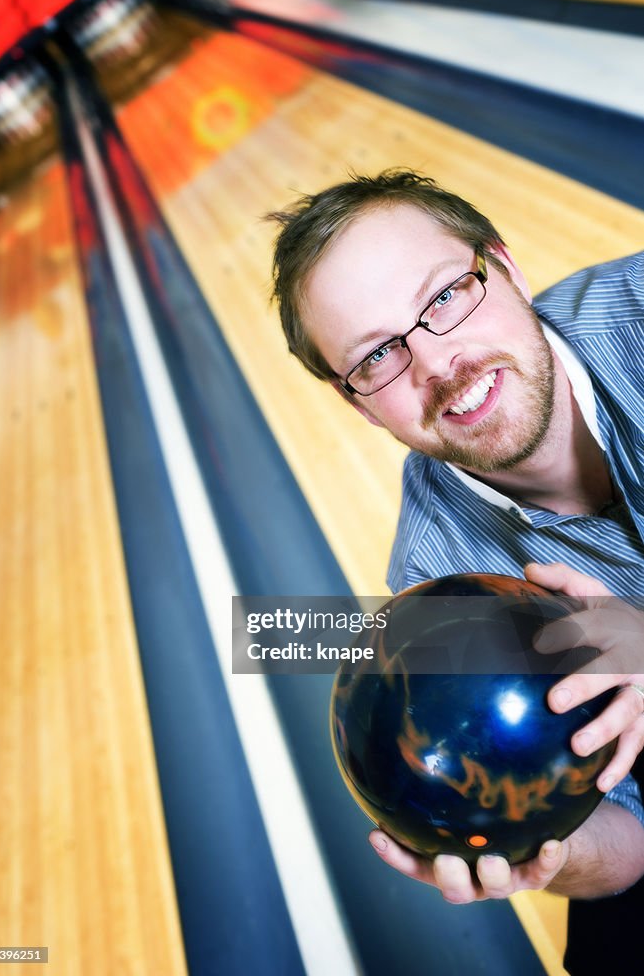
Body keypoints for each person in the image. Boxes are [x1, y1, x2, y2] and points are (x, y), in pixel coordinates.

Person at [267, 169, 644, 972]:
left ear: (504, 268)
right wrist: (548, 847)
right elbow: (631, 847)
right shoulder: (440, 587)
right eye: (377, 355)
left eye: (442, 298)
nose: (439, 363)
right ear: (360, 404)